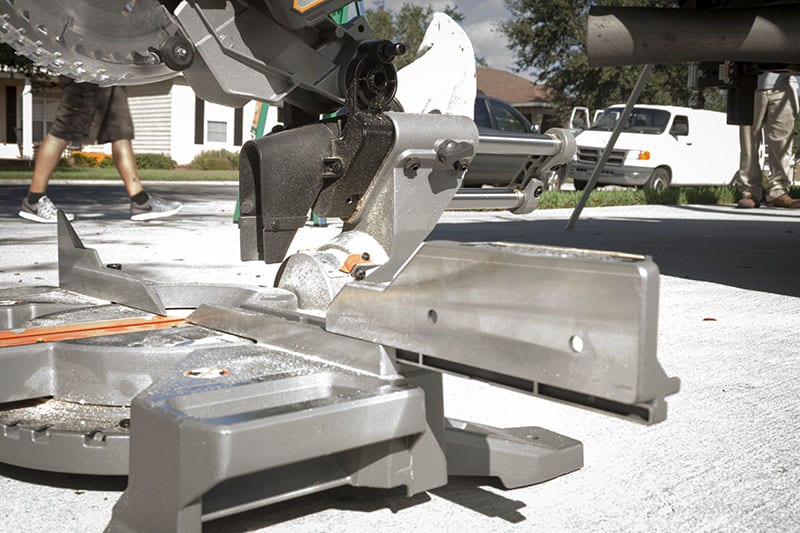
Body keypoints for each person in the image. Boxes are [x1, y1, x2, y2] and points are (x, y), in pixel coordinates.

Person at [18, 77, 182, 223]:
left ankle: (141, 202)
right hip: (83, 69)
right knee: (63, 129)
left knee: (120, 132)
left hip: (111, 71)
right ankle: (34, 199)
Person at [737, 72, 800, 209]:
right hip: (749, 85)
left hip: (784, 85)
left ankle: (778, 192)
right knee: (749, 143)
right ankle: (750, 193)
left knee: (782, 144)